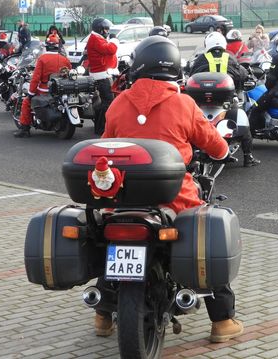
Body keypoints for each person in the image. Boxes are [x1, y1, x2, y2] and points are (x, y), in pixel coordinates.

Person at [98, 35, 244, 343]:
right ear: (175, 69)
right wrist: (222, 151)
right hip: (174, 198)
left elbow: (104, 145)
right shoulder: (183, 103)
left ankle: (102, 316)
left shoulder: (118, 103)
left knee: (113, 245)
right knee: (205, 238)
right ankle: (222, 322)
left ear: (138, 66)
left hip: (123, 197)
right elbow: (214, 144)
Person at [189, 31, 260, 167]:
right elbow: (241, 74)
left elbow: (191, 74)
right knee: (242, 121)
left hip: (202, 100)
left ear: (207, 44)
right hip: (225, 100)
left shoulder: (202, 58)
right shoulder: (229, 57)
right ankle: (248, 157)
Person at [14, 34, 72, 138]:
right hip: (61, 89)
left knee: (26, 102)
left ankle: (24, 129)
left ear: (47, 46)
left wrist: (31, 93)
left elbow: (36, 78)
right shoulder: (65, 59)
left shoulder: (42, 59)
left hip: (44, 90)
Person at [86, 17, 119, 135]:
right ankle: (101, 128)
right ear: (100, 29)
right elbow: (110, 49)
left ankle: (100, 126)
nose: (107, 31)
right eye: (105, 29)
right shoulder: (95, 39)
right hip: (102, 76)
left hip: (103, 74)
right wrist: (115, 40)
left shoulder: (97, 38)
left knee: (104, 101)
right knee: (107, 102)